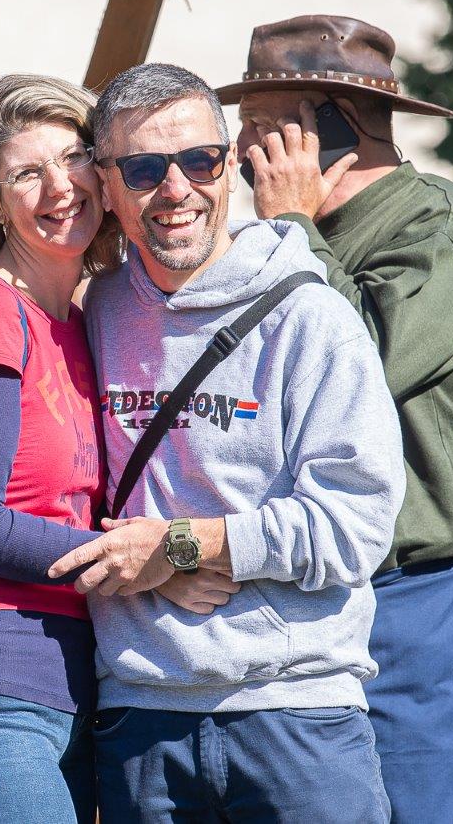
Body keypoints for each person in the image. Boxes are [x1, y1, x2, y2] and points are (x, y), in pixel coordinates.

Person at [218, 14, 453, 822]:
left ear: (328, 120)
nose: (239, 156)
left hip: (423, 599)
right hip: (306, 596)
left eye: (261, 128)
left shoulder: (446, 226)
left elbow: (352, 363)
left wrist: (292, 227)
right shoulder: (281, 238)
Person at [45, 62, 406, 823]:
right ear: (106, 187)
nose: (175, 188)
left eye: (199, 161)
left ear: (229, 167)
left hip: (298, 715)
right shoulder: (93, 314)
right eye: (144, 168)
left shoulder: (310, 317)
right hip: (139, 720)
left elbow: (356, 526)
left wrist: (181, 546)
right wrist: (151, 562)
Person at [0, 74, 235, 824]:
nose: (60, 185)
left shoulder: (83, 321)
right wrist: (135, 567)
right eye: (27, 172)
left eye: (74, 155)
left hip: (76, 684)